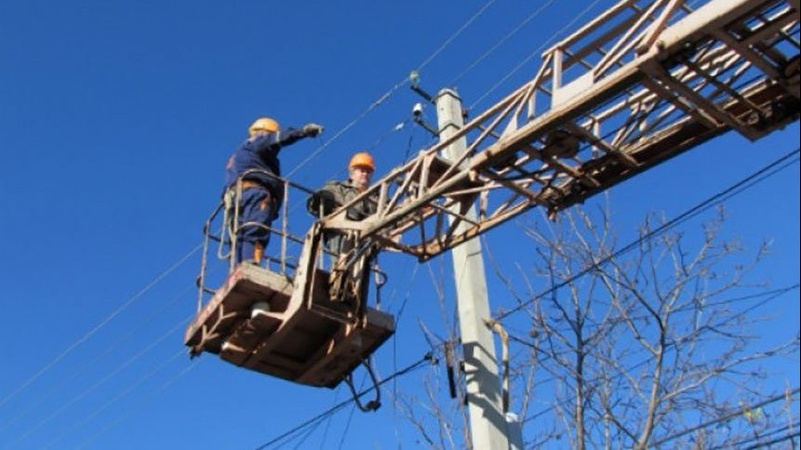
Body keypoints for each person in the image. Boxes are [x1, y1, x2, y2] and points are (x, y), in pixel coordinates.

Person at [225, 117, 324, 265]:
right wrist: (302, 132)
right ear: (262, 132)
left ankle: (238, 266)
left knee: (240, 233)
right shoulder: (259, 142)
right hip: (255, 193)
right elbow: (279, 138)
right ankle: (248, 263)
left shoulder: (245, 152)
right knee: (256, 228)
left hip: (237, 198)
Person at [307, 152, 377, 256]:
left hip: (365, 240)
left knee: (362, 266)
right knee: (340, 263)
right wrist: (325, 202)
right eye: (361, 170)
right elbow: (314, 203)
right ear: (352, 173)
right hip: (340, 233)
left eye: (368, 172)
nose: (365, 174)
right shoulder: (338, 188)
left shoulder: (376, 198)